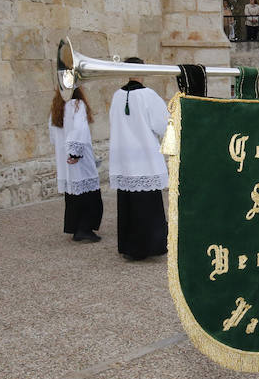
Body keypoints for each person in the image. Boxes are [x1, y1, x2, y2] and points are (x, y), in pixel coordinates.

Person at [108, 58, 170, 261]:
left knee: (128, 204)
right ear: (143, 71)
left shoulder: (117, 95)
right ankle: (150, 247)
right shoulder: (148, 95)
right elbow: (163, 125)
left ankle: (130, 247)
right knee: (148, 206)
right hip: (145, 158)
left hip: (124, 158)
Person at [48, 88, 103, 243]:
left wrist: (65, 150)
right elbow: (80, 129)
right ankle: (85, 229)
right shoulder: (77, 105)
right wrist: (75, 152)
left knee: (73, 195)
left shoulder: (56, 108)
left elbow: (53, 135)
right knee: (88, 194)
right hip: (78, 159)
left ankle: (76, 227)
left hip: (64, 159)